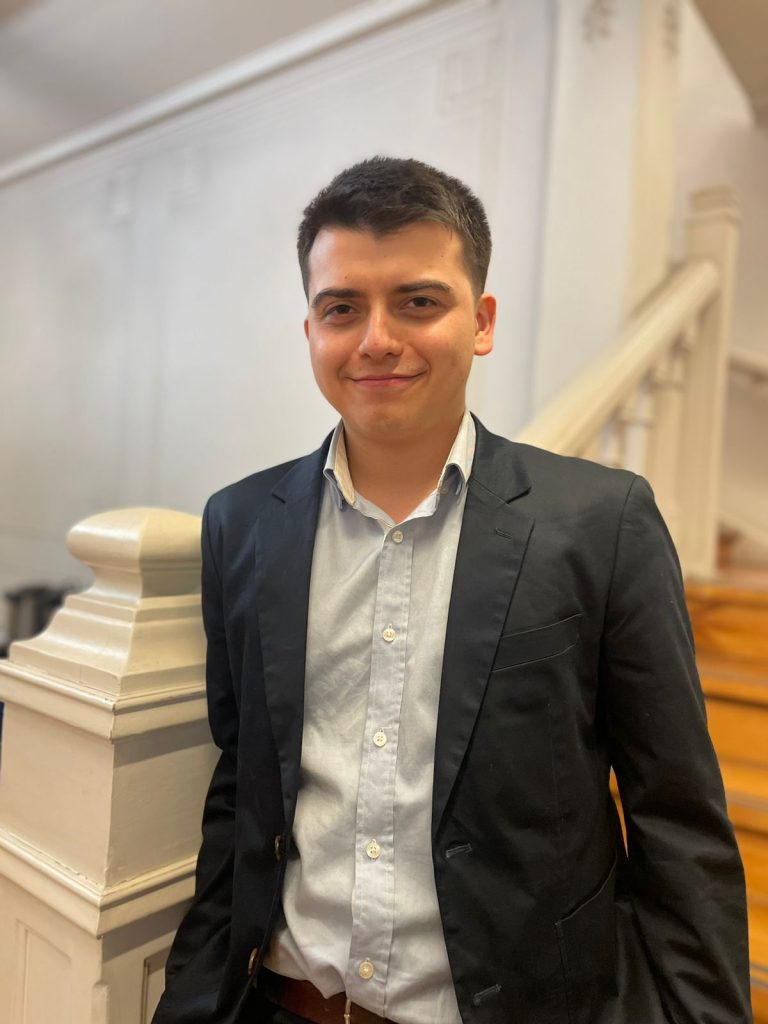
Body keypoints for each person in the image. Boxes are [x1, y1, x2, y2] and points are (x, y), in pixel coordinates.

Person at [152, 157, 751, 1024]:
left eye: (418, 302)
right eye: (342, 308)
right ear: (311, 329)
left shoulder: (600, 522)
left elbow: (678, 822)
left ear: (482, 321)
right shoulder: (240, 524)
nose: (376, 339)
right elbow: (239, 792)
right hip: (286, 1003)